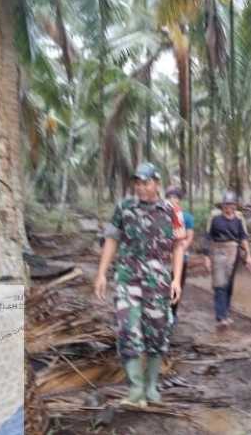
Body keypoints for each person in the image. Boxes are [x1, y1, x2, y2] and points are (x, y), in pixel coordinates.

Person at [94, 162, 185, 407]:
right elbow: (111, 240)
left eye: (146, 183)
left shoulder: (170, 211)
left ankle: (151, 386)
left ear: (156, 183)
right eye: (137, 183)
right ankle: (135, 391)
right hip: (127, 278)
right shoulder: (124, 208)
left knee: (157, 333)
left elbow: (178, 246)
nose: (141, 188)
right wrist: (102, 273)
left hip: (158, 282)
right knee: (127, 330)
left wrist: (176, 279)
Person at [205, 191, 251, 329]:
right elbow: (208, 237)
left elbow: (243, 238)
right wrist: (207, 256)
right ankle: (220, 317)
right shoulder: (215, 218)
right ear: (223, 205)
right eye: (226, 204)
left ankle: (225, 312)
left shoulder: (239, 219)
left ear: (235, 206)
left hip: (234, 252)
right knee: (220, 284)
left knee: (229, 285)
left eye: (231, 205)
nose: (228, 207)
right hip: (218, 251)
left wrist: (248, 256)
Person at [165, 186, 194, 323]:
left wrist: (179, 250)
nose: (173, 200)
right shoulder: (162, 214)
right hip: (164, 258)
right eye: (170, 197)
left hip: (181, 256)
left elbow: (189, 237)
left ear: (179, 200)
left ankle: (173, 313)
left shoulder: (186, 217)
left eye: (175, 198)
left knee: (177, 284)